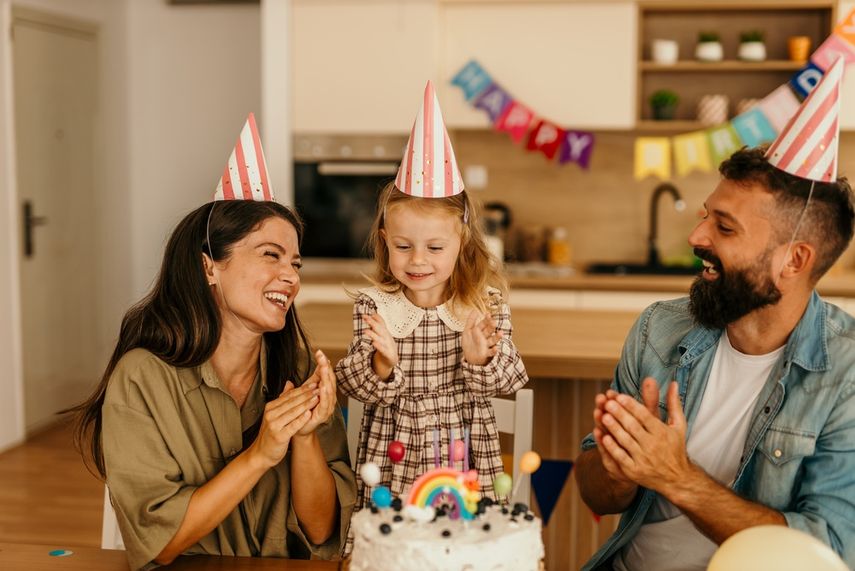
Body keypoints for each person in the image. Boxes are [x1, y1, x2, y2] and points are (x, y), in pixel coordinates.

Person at [575, 58, 855, 571]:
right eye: (707, 215)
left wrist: (676, 476)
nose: (697, 237)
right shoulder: (659, 329)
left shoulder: (846, 375)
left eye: (724, 228)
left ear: (794, 261)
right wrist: (618, 470)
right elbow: (597, 496)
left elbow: (826, 551)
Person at [68, 116, 356, 570]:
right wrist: (262, 452)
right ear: (209, 267)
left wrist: (303, 438)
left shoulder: (296, 371)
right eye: (270, 255)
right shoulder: (143, 379)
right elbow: (160, 545)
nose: (291, 277)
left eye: (296, 263)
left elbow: (322, 533)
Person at [335, 82, 529, 514]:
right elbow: (351, 385)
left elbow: (511, 377)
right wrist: (381, 365)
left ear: (462, 241)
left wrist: (479, 360)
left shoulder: (485, 306)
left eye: (435, 248)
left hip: (467, 456)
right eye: (403, 247)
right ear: (385, 241)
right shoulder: (375, 306)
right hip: (392, 461)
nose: (418, 260)